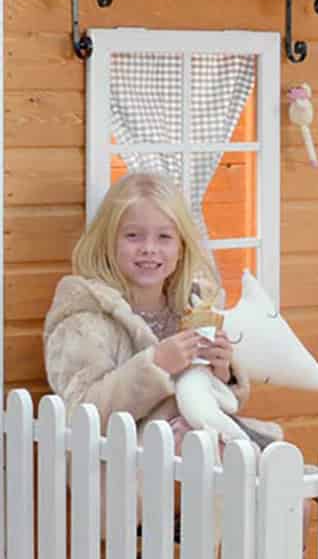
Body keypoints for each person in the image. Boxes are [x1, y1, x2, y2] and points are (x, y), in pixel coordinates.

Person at [44, 170, 245, 441]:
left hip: (191, 461)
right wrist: (157, 365)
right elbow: (82, 412)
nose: (149, 248)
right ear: (108, 243)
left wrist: (221, 373)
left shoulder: (191, 308)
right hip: (118, 465)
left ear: (181, 247)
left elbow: (209, 402)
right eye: (133, 236)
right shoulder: (85, 320)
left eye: (164, 237)